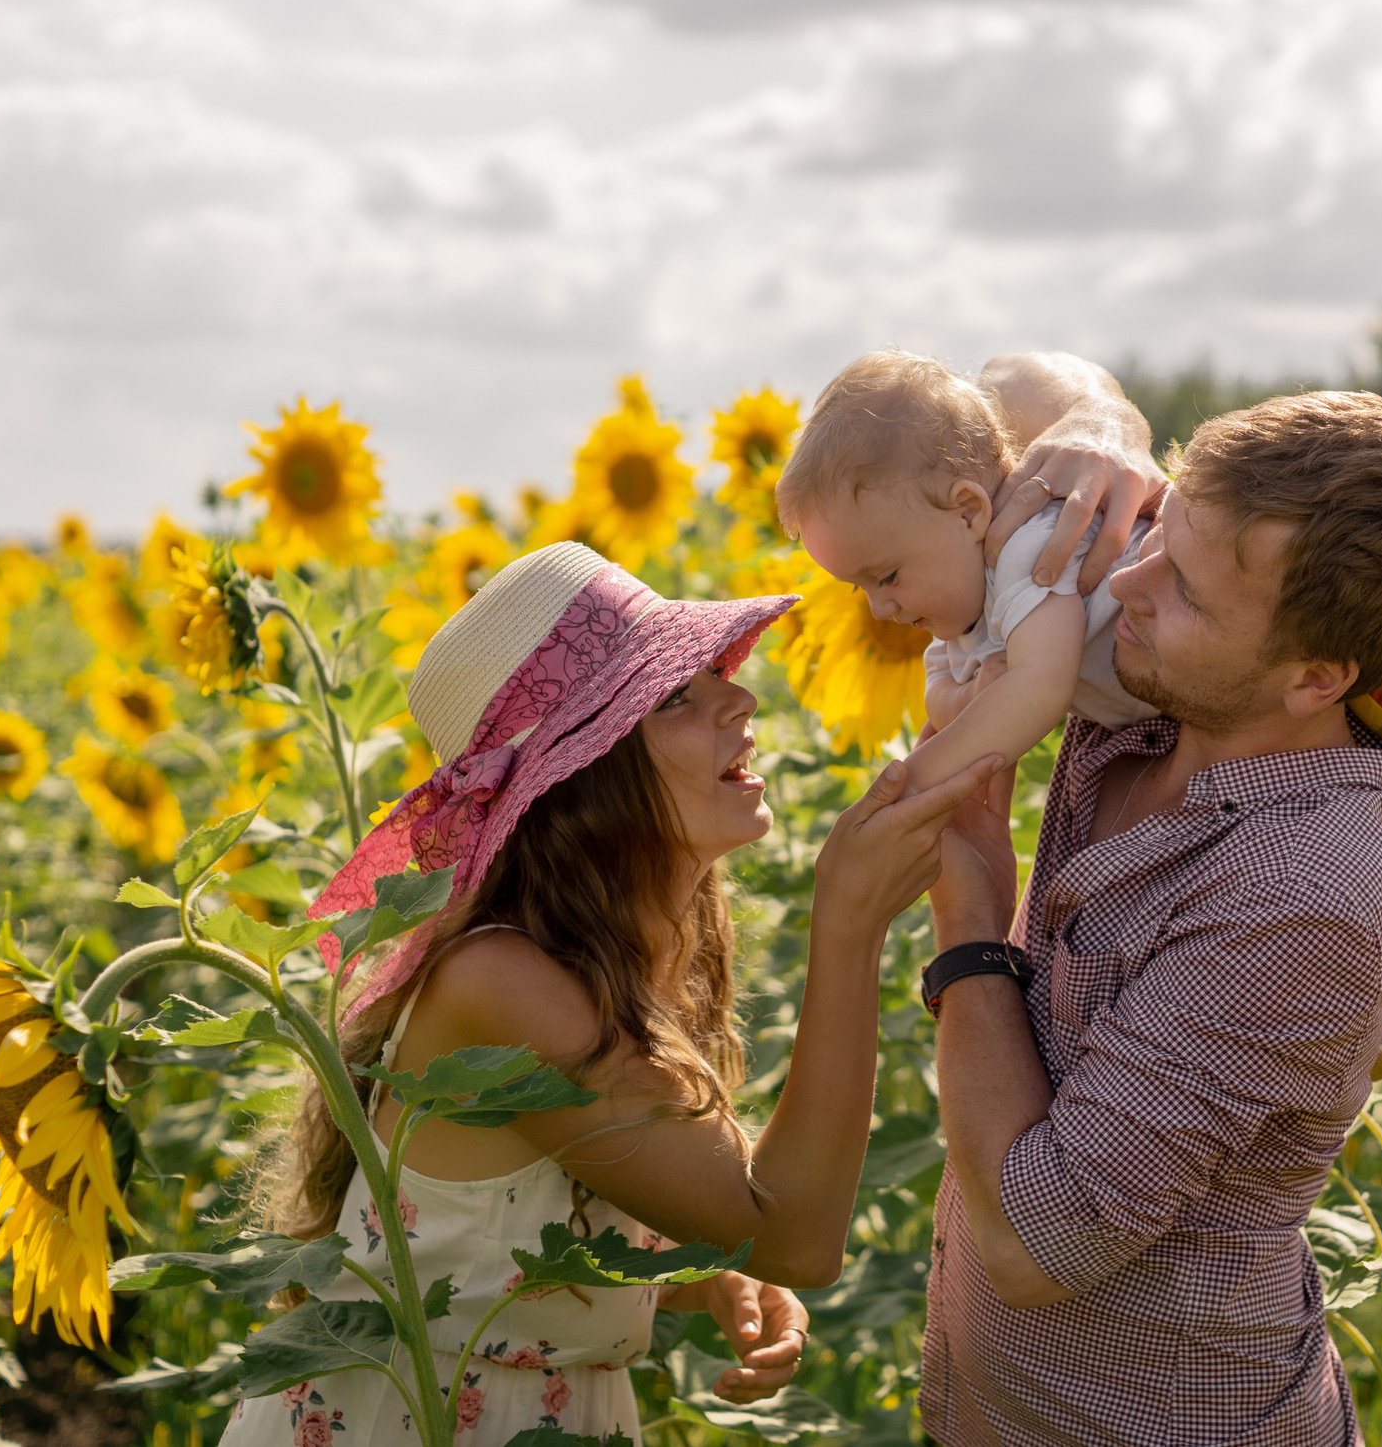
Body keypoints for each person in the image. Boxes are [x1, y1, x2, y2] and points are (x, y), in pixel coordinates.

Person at [224, 541, 1000, 1446]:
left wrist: (703, 1268)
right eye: (676, 696)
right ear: (581, 776)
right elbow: (797, 1236)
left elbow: (523, 1235)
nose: (740, 698)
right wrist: (849, 925)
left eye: (715, 672)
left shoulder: (613, 956)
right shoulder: (502, 983)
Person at [779, 350, 1382, 1078]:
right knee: (1369, 792)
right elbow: (967, 690)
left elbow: (1032, 684)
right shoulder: (970, 595)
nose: (878, 608)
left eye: (885, 576)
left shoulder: (1023, 539)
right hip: (1234, 648)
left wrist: (917, 789)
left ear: (966, 505)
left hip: (1305, 586)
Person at [916, 387, 1382, 1444]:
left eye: (1186, 591)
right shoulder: (1150, 703)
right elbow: (1031, 386)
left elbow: (1030, 1244)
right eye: (1155, 536)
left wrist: (970, 923)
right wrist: (1102, 430)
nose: (1129, 584)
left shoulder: (1301, 894)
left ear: (1318, 677)